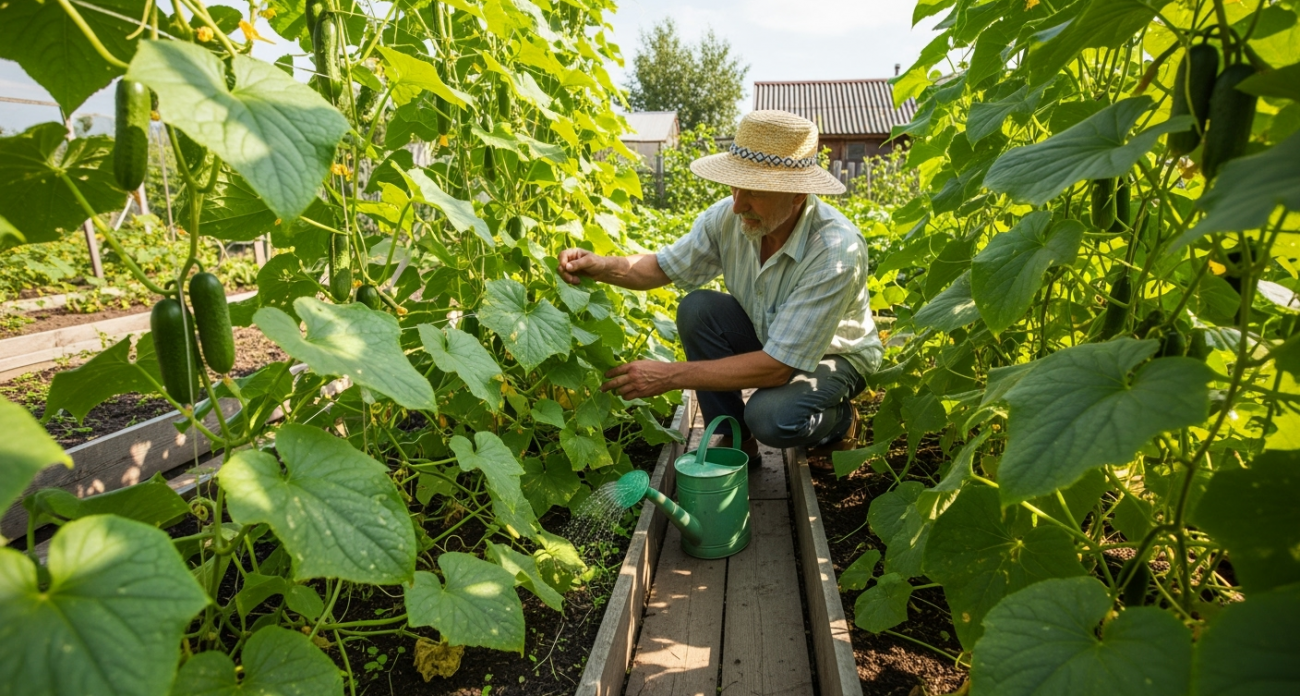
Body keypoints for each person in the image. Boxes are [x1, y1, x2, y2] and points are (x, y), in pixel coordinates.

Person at [558, 110, 882, 459]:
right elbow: (661, 266)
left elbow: (778, 367)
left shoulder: (834, 251)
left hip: (833, 357)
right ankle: (735, 439)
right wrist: (602, 266)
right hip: (772, 335)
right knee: (698, 308)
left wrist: (668, 376)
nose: (739, 204)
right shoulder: (730, 217)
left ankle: (840, 420)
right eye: (735, 186)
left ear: (797, 194)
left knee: (771, 417)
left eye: (755, 192)